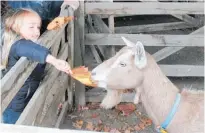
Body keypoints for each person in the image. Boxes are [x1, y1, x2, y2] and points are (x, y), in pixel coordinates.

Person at [1, 8, 72, 124]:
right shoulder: (18, 44)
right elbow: (30, 49)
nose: (37, 31)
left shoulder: (28, 39)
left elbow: (45, 28)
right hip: (15, 104)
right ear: (15, 27)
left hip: (26, 97)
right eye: (31, 27)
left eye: (38, 27)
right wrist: (53, 60)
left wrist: (53, 23)